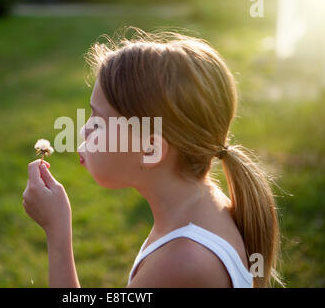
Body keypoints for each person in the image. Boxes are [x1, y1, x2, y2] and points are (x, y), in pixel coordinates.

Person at [22, 27, 283, 288]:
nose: (84, 129)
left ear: (150, 149)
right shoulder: (203, 208)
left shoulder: (182, 262)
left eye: (99, 121)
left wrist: (57, 233)